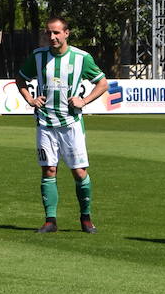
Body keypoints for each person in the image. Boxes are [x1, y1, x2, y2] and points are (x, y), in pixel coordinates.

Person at [14, 16, 107, 234]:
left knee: (79, 172)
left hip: (71, 123)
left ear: (67, 33)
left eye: (56, 33)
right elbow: (21, 79)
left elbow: (102, 83)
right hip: (45, 123)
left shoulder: (81, 58)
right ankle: (50, 221)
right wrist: (30, 99)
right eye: (49, 33)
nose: (52, 37)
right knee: (49, 170)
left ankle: (85, 218)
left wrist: (84, 101)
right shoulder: (38, 56)